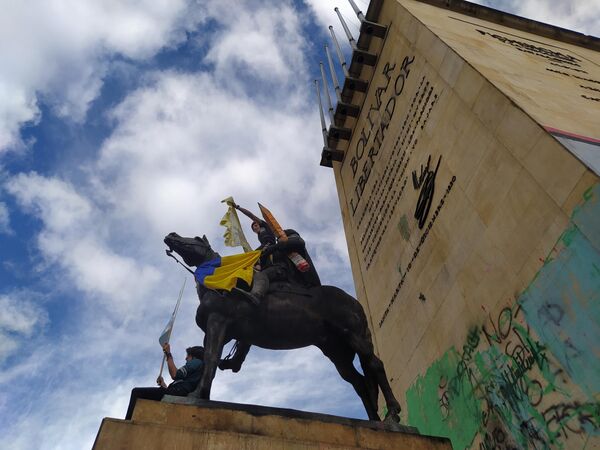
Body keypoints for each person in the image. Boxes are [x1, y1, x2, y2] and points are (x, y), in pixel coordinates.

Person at [124, 343, 204, 420]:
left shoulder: (197, 362)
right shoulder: (191, 375)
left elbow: (175, 374)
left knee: (136, 392)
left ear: (194, 356)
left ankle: (127, 422)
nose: (186, 358)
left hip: (177, 392)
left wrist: (168, 354)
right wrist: (163, 384)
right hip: (175, 392)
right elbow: (172, 389)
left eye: (188, 356)